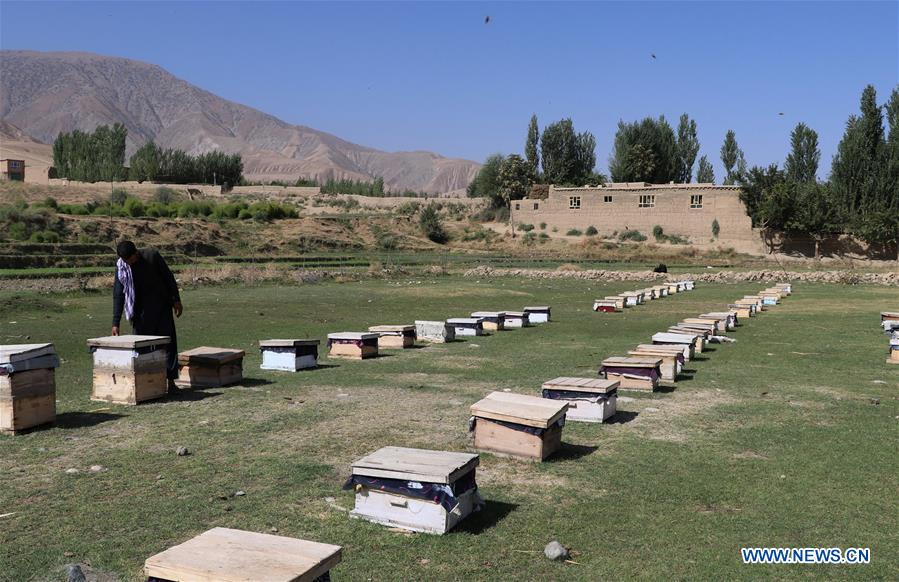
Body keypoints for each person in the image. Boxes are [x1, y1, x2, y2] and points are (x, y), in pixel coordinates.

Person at [112, 240, 183, 390]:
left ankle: (171, 382)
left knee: (168, 345)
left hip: (162, 307)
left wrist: (176, 300)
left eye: (131, 259)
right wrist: (115, 322)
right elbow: (119, 294)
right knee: (142, 349)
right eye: (126, 260)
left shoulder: (152, 256)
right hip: (140, 314)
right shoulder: (122, 268)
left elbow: (168, 277)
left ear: (136, 253)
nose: (130, 262)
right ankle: (146, 384)